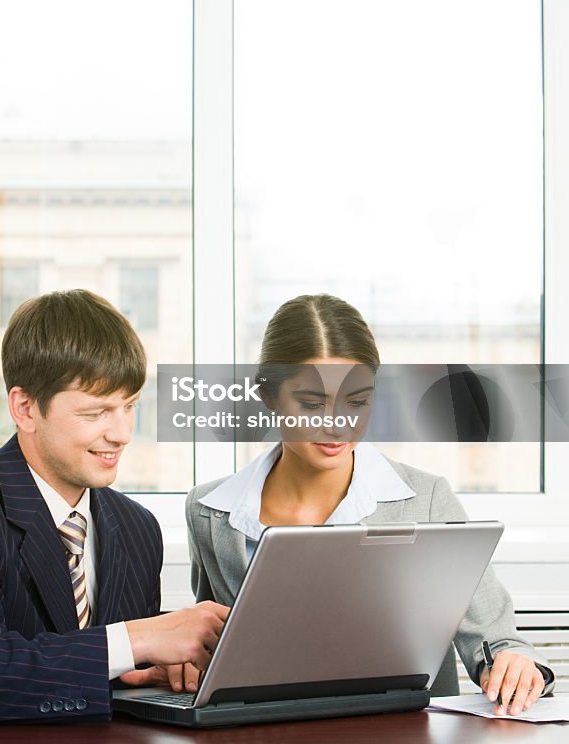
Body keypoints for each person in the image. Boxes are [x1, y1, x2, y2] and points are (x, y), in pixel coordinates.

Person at [186, 294, 554, 716]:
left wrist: (514, 665)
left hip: (400, 732)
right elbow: (211, 644)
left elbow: (497, 639)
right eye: (311, 403)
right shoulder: (209, 511)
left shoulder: (428, 500)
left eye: (357, 402)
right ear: (268, 395)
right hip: (268, 730)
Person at [0, 289, 227, 723]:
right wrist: (135, 640)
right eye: (96, 413)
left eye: (130, 407)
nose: (123, 433)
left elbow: (113, 676)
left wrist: (152, 667)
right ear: (26, 408)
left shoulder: (136, 527)